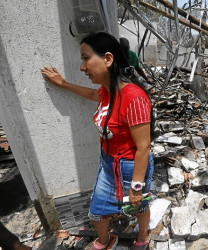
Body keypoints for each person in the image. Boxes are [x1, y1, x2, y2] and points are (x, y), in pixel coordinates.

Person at [41, 32, 154, 250]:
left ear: (108, 59)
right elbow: (92, 95)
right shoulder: (106, 92)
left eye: (85, 58)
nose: (82, 67)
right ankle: (105, 240)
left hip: (131, 167)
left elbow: (144, 147)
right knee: (97, 210)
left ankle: (143, 236)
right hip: (108, 163)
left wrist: (137, 187)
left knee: (138, 206)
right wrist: (63, 84)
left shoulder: (135, 98)